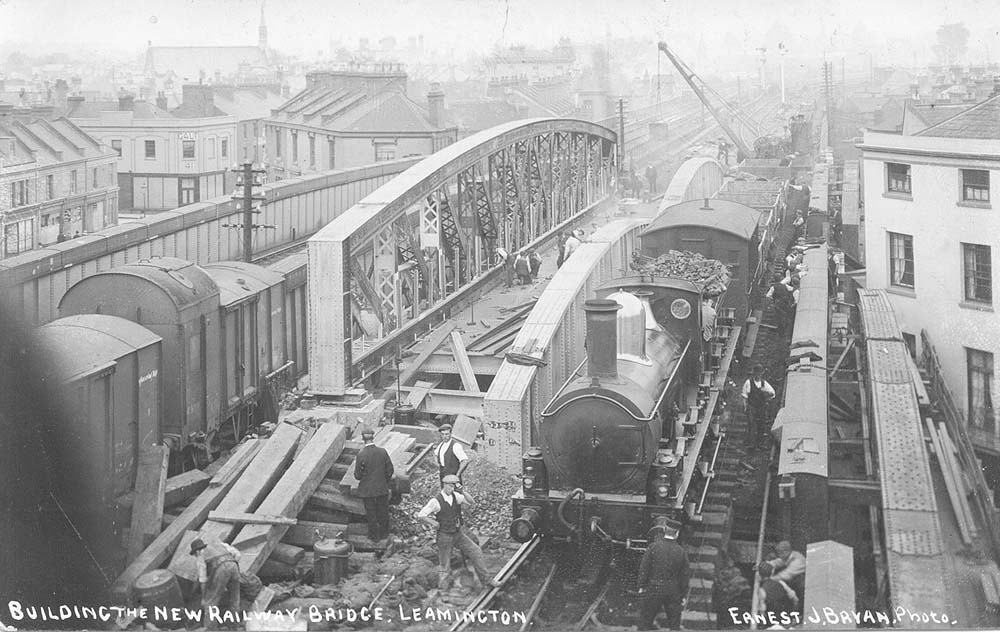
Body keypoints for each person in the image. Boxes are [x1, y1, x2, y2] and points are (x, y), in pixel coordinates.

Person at [416, 475, 491, 591]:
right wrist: (433, 523)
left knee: (476, 551)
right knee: (445, 564)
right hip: (444, 536)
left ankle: (487, 580)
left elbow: (472, 502)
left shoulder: (456, 496)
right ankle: (443, 590)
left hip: (458, 534)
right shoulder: (436, 501)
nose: (452, 488)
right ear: (444, 485)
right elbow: (421, 515)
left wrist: (463, 491)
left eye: (454, 486)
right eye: (450, 486)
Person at [637, 522, 690, 631]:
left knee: (645, 623)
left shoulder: (653, 547)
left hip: (653, 588)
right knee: (674, 625)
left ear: (664, 530)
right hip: (673, 591)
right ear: (677, 534)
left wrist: (641, 586)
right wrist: (683, 595)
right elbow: (684, 576)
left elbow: (644, 568)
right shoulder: (681, 552)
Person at [356, 429, 394, 542]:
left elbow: (357, 475)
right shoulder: (382, 452)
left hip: (367, 490)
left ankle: (374, 537)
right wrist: (384, 481)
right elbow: (390, 470)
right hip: (382, 488)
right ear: (373, 438)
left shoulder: (361, 454)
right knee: (383, 511)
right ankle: (384, 534)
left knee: (371, 513)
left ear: (363, 439)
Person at [190, 538, 241, 622]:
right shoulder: (220, 545)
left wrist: (204, 598)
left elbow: (203, 580)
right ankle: (234, 625)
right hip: (234, 565)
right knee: (235, 598)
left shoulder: (200, 556)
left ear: (197, 551)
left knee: (210, 603)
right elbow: (238, 555)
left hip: (221, 570)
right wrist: (230, 566)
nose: (195, 556)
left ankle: (210, 629)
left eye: (194, 554)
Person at [741, 364, 776, 449]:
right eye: (756, 373)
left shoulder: (764, 383)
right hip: (751, 406)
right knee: (751, 425)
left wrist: (767, 394)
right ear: (754, 373)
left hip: (761, 407)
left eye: (759, 373)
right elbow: (744, 396)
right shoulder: (748, 382)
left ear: (762, 373)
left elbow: (773, 393)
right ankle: (752, 444)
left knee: (761, 425)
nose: (758, 375)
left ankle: (760, 443)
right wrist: (745, 406)